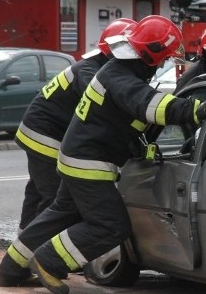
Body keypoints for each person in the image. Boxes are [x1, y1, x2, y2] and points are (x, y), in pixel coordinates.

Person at [0, 15, 206, 294]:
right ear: (154, 54)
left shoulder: (118, 70)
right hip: (88, 162)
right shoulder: (121, 76)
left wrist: (142, 146)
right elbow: (149, 106)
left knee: (60, 214)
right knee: (110, 225)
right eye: (165, 58)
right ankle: (49, 261)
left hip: (79, 157)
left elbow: (126, 120)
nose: (165, 64)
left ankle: (11, 269)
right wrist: (195, 110)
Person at [10, 18, 136, 241]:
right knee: (54, 196)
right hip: (47, 135)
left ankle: (23, 241)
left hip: (38, 129)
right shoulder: (92, 73)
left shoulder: (90, 66)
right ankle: (38, 249)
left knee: (37, 191)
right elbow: (103, 109)